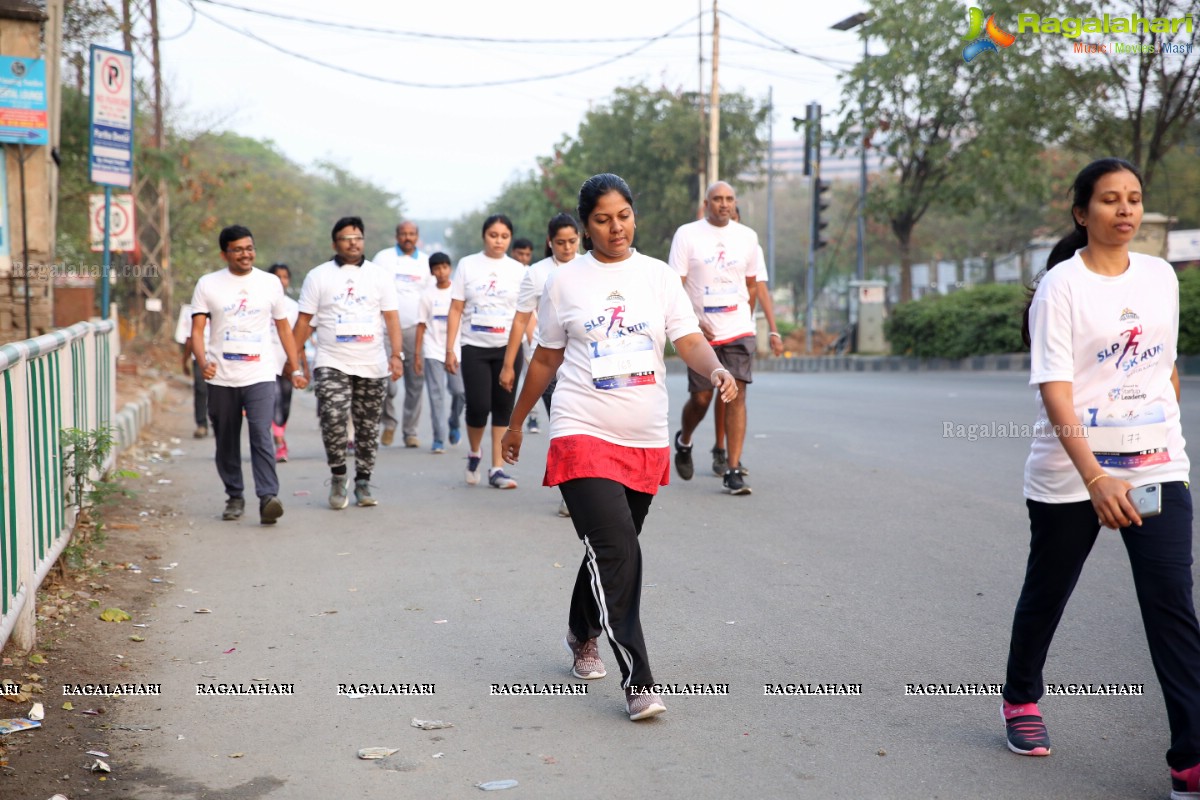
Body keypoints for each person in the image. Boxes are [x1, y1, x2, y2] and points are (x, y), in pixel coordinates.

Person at [501, 173, 738, 722]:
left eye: (624, 215)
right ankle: (640, 681)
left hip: (645, 437)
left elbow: (688, 339)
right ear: (585, 226)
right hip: (581, 429)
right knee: (619, 553)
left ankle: (581, 629)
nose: (616, 228)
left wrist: (717, 368)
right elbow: (545, 359)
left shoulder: (657, 277)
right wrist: (515, 426)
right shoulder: (565, 283)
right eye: (603, 219)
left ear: (635, 215)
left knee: (613, 548)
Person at [1000, 158, 1200, 799]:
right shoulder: (1061, 288)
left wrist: (1165, 441)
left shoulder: (1161, 276)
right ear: (1082, 212)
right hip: (1072, 476)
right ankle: (1021, 699)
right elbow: (1056, 391)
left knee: (1171, 605)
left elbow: (1165, 366)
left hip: (1155, 470)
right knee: (1048, 591)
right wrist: (1096, 477)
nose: (1126, 210)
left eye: (1135, 199)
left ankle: (1190, 757)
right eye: (1110, 200)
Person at [190, 225, 306, 524]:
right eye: (238, 249)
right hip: (221, 375)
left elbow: (283, 328)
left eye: (249, 248)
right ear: (224, 253)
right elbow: (198, 330)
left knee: (260, 432)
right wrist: (203, 362)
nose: (246, 254)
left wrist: (295, 367)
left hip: (260, 372)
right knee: (226, 439)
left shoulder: (270, 283)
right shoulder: (208, 284)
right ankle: (235, 495)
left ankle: (268, 496)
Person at [293, 217, 403, 510]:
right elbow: (303, 321)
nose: (353, 242)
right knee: (333, 418)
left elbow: (392, 318)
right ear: (335, 243)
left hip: (372, 362)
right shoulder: (318, 276)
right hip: (331, 360)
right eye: (346, 238)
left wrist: (396, 356)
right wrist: (295, 361)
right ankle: (339, 476)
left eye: (358, 237)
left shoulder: (379, 276)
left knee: (368, 426)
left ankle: (364, 482)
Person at [669, 180, 760, 495]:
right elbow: (674, 285)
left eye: (729, 199)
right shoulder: (687, 235)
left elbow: (753, 283)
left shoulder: (747, 237)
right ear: (706, 204)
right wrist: (692, 320)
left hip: (738, 330)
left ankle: (733, 469)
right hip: (700, 334)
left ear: (735, 204)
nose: (724, 204)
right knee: (702, 398)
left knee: (738, 395)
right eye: (717, 199)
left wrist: (745, 315)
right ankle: (684, 441)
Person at [500, 213, 581, 515]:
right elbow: (521, 318)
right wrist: (509, 365)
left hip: (585, 362)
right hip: (548, 364)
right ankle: (570, 492)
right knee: (563, 428)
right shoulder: (536, 273)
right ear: (550, 242)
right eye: (560, 242)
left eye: (572, 241)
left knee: (585, 430)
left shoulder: (589, 267)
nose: (567, 248)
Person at [445, 214, 524, 489]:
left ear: (510, 238)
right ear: (484, 236)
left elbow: (523, 316)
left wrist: (530, 347)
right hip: (474, 346)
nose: (498, 241)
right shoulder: (467, 265)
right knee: (478, 407)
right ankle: (475, 451)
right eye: (493, 235)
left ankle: (497, 469)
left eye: (504, 236)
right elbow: (455, 309)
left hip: (508, 348)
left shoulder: (518, 270)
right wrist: (450, 349)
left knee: (503, 407)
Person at [710, 206, 785, 476]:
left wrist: (773, 330)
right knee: (716, 393)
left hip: (739, 328)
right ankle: (719, 447)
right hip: (709, 330)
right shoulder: (704, 245)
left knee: (736, 393)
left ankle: (732, 459)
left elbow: (759, 287)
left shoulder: (748, 244)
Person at [373, 220, 430, 448]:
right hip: (385, 330)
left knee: (416, 382)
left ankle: (410, 431)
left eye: (412, 234)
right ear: (396, 236)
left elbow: (431, 298)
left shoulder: (425, 263)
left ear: (417, 237)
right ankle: (389, 421)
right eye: (403, 234)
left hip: (414, 330)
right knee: (385, 381)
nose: (408, 237)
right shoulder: (383, 259)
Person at [413, 252, 465, 454]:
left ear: (450, 268)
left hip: (456, 350)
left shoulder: (458, 292)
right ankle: (439, 438)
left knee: (460, 392)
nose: (441, 272)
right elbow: (421, 326)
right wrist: (417, 355)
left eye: (444, 267)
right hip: (433, 350)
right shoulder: (427, 296)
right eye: (437, 268)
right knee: (436, 396)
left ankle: (454, 421)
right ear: (432, 271)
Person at [266, 263, 301, 463]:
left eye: (285, 277)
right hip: (265, 360)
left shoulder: (294, 307)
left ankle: (279, 432)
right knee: (274, 398)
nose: (281, 280)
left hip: (287, 360)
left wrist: (298, 364)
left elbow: (298, 337)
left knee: (285, 402)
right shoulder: (261, 302)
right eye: (277, 276)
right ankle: (279, 442)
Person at [174, 302, 209, 439]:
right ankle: (201, 424)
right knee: (201, 389)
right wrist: (185, 361)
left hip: (220, 356)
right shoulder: (193, 312)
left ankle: (218, 420)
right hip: (201, 356)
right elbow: (190, 338)